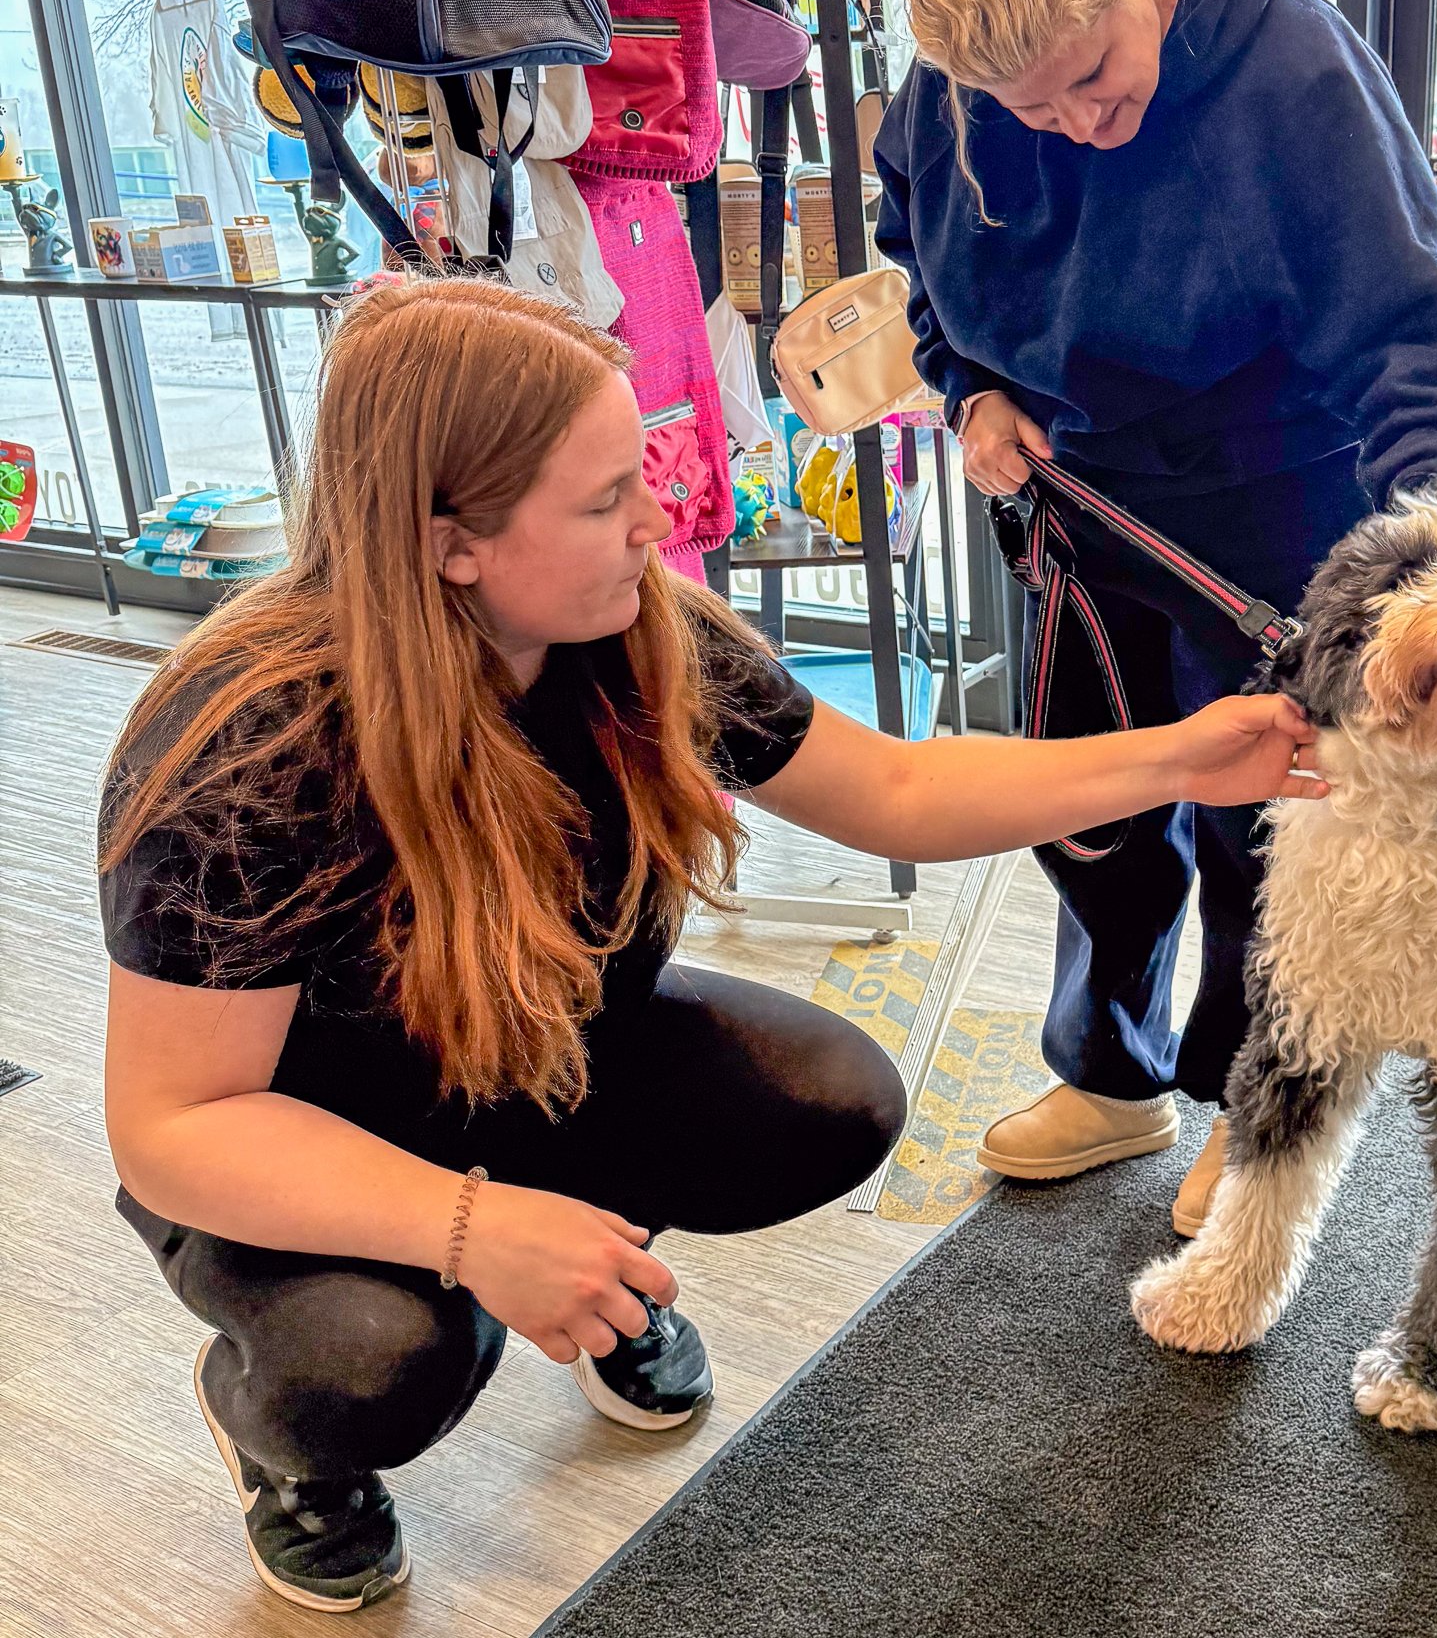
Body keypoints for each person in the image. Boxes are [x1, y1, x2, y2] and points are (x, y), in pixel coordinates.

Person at [99, 279, 1327, 1615]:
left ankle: (590, 1273)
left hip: (528, 1066)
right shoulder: (247, 754)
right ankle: (285, 1445)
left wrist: (1182, 760)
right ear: (451, 541)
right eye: (606, 497)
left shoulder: (635, 633)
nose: (669, 520)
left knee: (832, 1104)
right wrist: (468, 1227)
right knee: (381, 1360)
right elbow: (176, 1124)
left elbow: (898, 794)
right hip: (299, 1156)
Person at [873, 0, 1437, 1234]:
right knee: (1084, 803)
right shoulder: (953, 96)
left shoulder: (1293, 72)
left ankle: (1252, 1102)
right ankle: (1109, 1071)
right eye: (1029, 112)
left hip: (1278, 499)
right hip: (1076, 502)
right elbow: (916, 252)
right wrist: (970, 390)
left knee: (1257, 825)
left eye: (1093, 77)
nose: (1076, 125)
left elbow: (1423, 338)